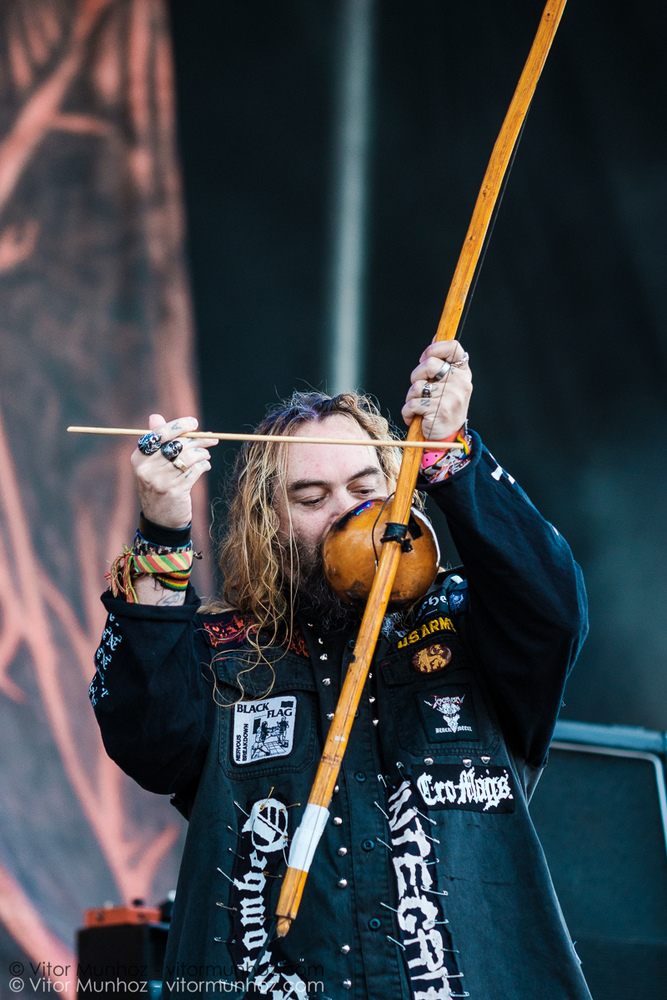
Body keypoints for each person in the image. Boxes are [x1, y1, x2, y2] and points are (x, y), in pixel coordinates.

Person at [90, 340, 591, 1000]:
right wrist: (162, 531)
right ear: (270, 521)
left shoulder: (471, 622)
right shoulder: (221, 648)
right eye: (311, 497)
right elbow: (144, 737)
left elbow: (555, 611)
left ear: (398, 491)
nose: (347, 511)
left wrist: (449, 450)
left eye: (364, 488)